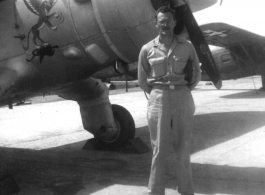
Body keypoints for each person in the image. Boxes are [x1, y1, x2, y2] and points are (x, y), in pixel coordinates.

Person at [138, 6, 201, 195]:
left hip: (182, 97)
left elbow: (196, 73)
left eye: (168, 21)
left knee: (183, 148)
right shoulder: (147, 49)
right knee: (159, 150)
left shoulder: (187, 46)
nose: (165, 24)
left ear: (174, 23)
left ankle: (186, 191)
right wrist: (160, 91)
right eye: (161, 21)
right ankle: (155, 192)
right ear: (156, 23)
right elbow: (142, 80)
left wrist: (182, 90)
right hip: (158, 99)